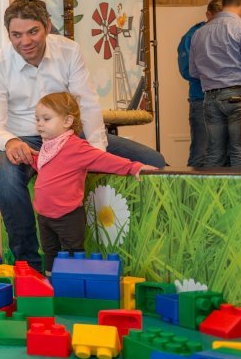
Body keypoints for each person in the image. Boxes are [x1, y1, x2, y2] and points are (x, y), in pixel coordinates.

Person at [0, 0, 166, 272]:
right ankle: (29, 264)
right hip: (26, 139)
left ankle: (159, 246)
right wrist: (10, 141)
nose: (25, 41)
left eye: (33, 31)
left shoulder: (69, 51)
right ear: (8, 34)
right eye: (16, 34)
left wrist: (95, 153)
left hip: (70, 137)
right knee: (6, 177)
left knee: (155, 161)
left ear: (48, 26)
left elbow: (88, 104)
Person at [32, 92, 154, 272]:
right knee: (50, 251)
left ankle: (73, 285)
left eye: (46, 119)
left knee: (73, 252)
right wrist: (29, 159)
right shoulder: (48, 146)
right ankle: (53, 284)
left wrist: (133, 167)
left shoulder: (76, 147)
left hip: (67, 215)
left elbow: (105, 160)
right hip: (44, 215)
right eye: (37, 119)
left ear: (67, 121)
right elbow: (48, 169)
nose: (39, 124)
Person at [189, 0, 241, 168]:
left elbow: (193, 72)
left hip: (209, 98)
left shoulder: (199, 33)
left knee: (214, 153)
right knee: (240, 153)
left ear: (223, 2)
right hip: (239, 97)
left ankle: (212, 197)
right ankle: (240, 198)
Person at [177, 0, 223, 167]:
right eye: (217, 18)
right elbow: (187, 70)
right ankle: (194, 193)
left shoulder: (230, 33)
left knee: (225, 155)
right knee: (201, 153)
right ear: (208, 14)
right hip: (201, 100)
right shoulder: (192, 36)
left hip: (226, 101)